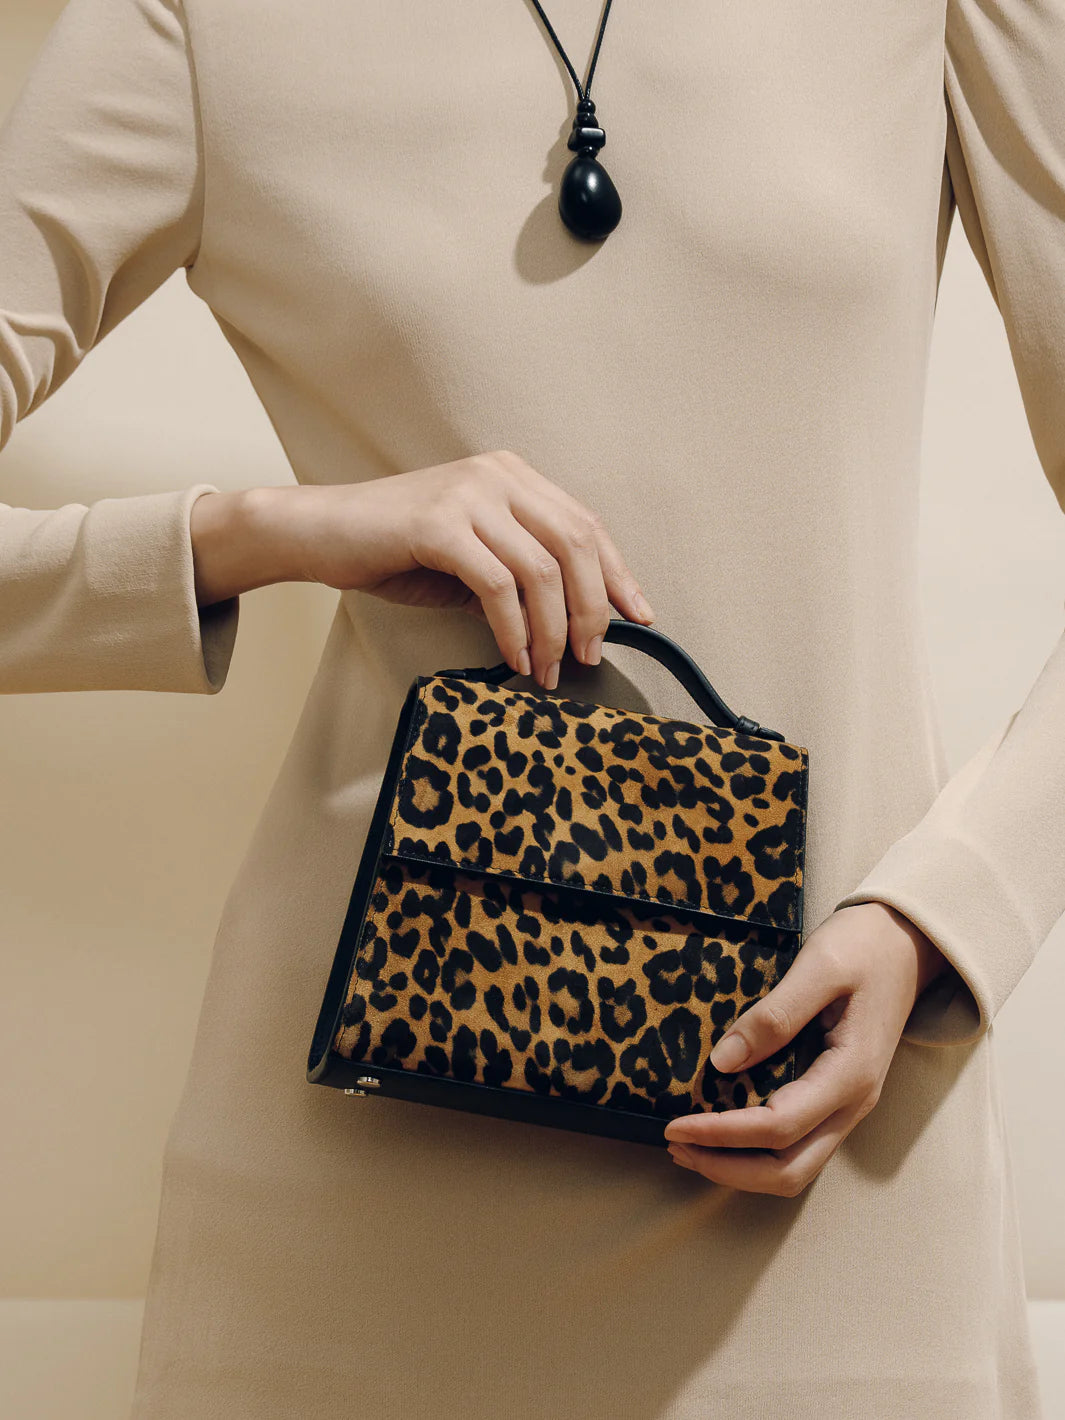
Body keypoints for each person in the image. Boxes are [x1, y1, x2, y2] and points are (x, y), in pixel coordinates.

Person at [0, 0, 1059, 1415]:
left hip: (829, 1141)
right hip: (367, 1191)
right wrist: (267, 529)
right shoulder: (187, 22)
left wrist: (950, 915)